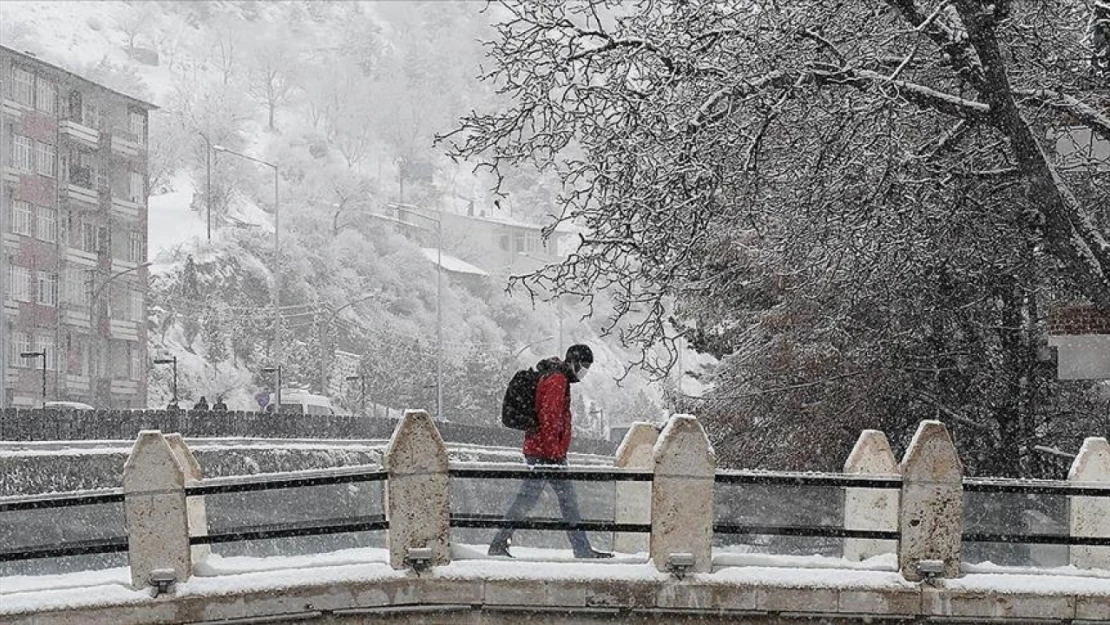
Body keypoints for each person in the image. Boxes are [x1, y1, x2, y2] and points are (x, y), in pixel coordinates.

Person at [488, 344, 612, 559]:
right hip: (545, 453)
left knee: (538, 500)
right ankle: (581, 549)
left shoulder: (556, 377)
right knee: (552, 501)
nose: (584, 370)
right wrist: (554, 453)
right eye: (583, 365)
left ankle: (501, 543)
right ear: (572, 361)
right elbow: (550, 419)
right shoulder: (557, 380)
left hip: (545, 451)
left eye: (587, 367)